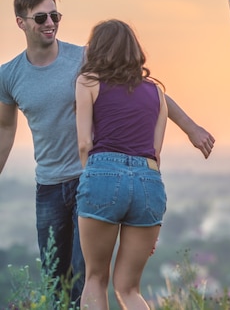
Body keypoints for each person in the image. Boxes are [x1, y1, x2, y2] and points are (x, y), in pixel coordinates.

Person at [0, 0, 215, 304]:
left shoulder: (86, 59)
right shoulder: (9, 75)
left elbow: (143, 90)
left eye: (55, 16)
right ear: (21, 22)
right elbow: (5, 128)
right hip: (49, 183)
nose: (50, 23)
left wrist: (191, 128)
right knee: (54, 277)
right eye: (41, 18)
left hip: (91, 176)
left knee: (86, 277)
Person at [75, 19, 167, 309]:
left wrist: (90, 180)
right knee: (128, 289)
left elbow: (84, 144)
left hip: (102, 172)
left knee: (95, 279)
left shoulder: (88, 81)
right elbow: (155, 152)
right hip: (149, 182)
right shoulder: (157, 92)